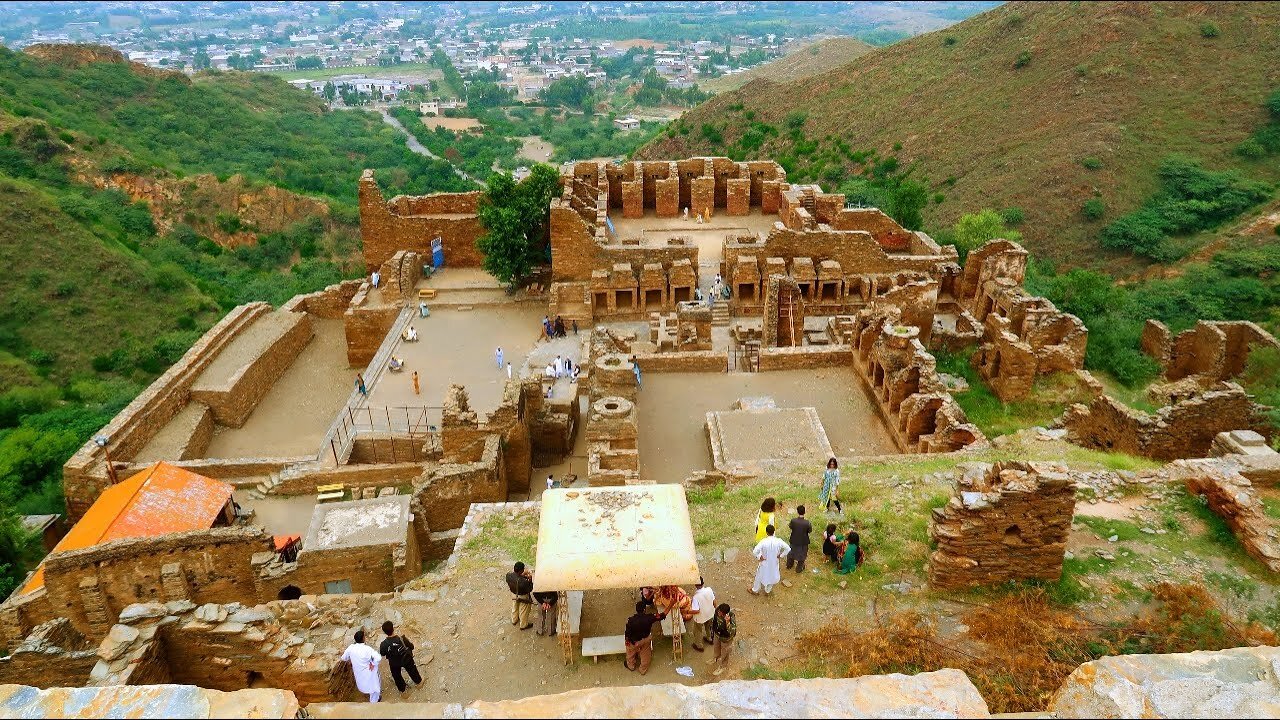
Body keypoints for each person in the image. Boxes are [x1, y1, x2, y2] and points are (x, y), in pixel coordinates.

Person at [623, 601, 666, 675]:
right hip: (646, 639)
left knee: (630, 653)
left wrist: (627, 641)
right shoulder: (649, 618)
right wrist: (671, 604)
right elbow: (663, 615)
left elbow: (627, 633)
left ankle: (631, 666)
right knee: (646, 654)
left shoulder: (631, 621)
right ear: (644, 610)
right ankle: (643, 669)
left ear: (636, 610)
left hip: (634, 642)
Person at [340, 629, 382, 703]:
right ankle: (374, 702)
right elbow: (378, 658)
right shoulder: (367, 649)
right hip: (369, 673)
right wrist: (373, 663)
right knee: (375, 689)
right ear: (363, 638)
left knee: (365, 685)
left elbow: (343, 658)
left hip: (359, 675)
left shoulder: (351, 648)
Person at [379, 621, 422, 694]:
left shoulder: (383, 644)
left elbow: (382, 653)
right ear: (393, 628)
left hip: (394, 662)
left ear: (384, 632)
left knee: (397, 676)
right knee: (412, 670)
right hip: (406, 659)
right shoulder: (402, 639)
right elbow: (412, 647)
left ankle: (403, 692)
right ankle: (419, 683)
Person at [750, 524, 790, 596]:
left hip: (764, 563)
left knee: (759, 577)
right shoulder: (779, 541)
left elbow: (755, 551)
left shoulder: (763, 542)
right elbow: (788, 548)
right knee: (772, 576)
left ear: (766, 532)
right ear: (774, 532)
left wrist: (759, 556)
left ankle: (755, 590)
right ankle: (767, 591)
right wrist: (781, 555)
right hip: (774, 562)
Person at [709, 603, 736, 676]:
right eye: (719, 611)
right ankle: (715, 658)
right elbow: (714, 620)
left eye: (721, 613)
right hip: (717, 635)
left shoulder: (731, 617)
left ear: (725, 614)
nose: (719, 613)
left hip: (726, 639)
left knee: (725, 652)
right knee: (716, 647)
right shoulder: (717, 610)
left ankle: (722, 666)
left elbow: (732, 632)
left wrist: (727, 623)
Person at [689, 577, 716, 652]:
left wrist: (687, 612)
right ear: (703, 583)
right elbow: (714, 602)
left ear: (695, 585)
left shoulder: (696, 597)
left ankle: (699, 645)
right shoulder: (709, 590)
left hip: (700, 617)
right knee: (709, 627)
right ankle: (709, 638)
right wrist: (715, 611)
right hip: (710, 613)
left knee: (698, 631)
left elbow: (696, 611)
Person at [505, 561, 534, 630]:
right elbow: (530, 589)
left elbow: (516, 578)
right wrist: (530, 580)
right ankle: (523, 625)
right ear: (521, 570)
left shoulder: (508, 575)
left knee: (515, 607)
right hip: (523, 597)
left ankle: (514, 620)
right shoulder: (523, 582)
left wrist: (522, 576)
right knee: (523, 610)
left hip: (513, 594)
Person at [786, 504, 812, 573]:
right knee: (802, 555)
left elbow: (790, 527)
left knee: (791, 552)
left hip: (794, 539)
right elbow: (809, 531)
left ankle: (789, 565)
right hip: (803, 541)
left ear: (797, 512)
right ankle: (799, 569)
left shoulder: (793, 521)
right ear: (804, 512)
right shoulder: (807, 523)